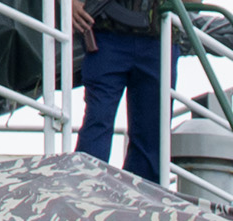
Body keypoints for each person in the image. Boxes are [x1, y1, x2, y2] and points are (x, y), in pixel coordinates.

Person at [72, 0, 172, 183]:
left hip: (157, 39)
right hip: (106, 36)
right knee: (98, 119)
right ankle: (84, 187)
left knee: (152, 134)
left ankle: (140, 202)